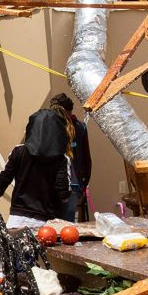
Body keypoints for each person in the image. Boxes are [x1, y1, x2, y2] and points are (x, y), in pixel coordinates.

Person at [0, 109, 71, 234]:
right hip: (47, 227)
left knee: (14, 254)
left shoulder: (18, 152)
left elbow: (3, 180)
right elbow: (63, 195)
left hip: (16, 222)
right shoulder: (62, 159)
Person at [49, 94, 93, 222]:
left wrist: (83, 184)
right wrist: (84, 183)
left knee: (59, 224)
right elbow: (87, 160)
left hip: (63, 185)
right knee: (65, 224)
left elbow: (86, 160)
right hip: (67, 185)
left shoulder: (78, 128)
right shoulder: (79, 127)